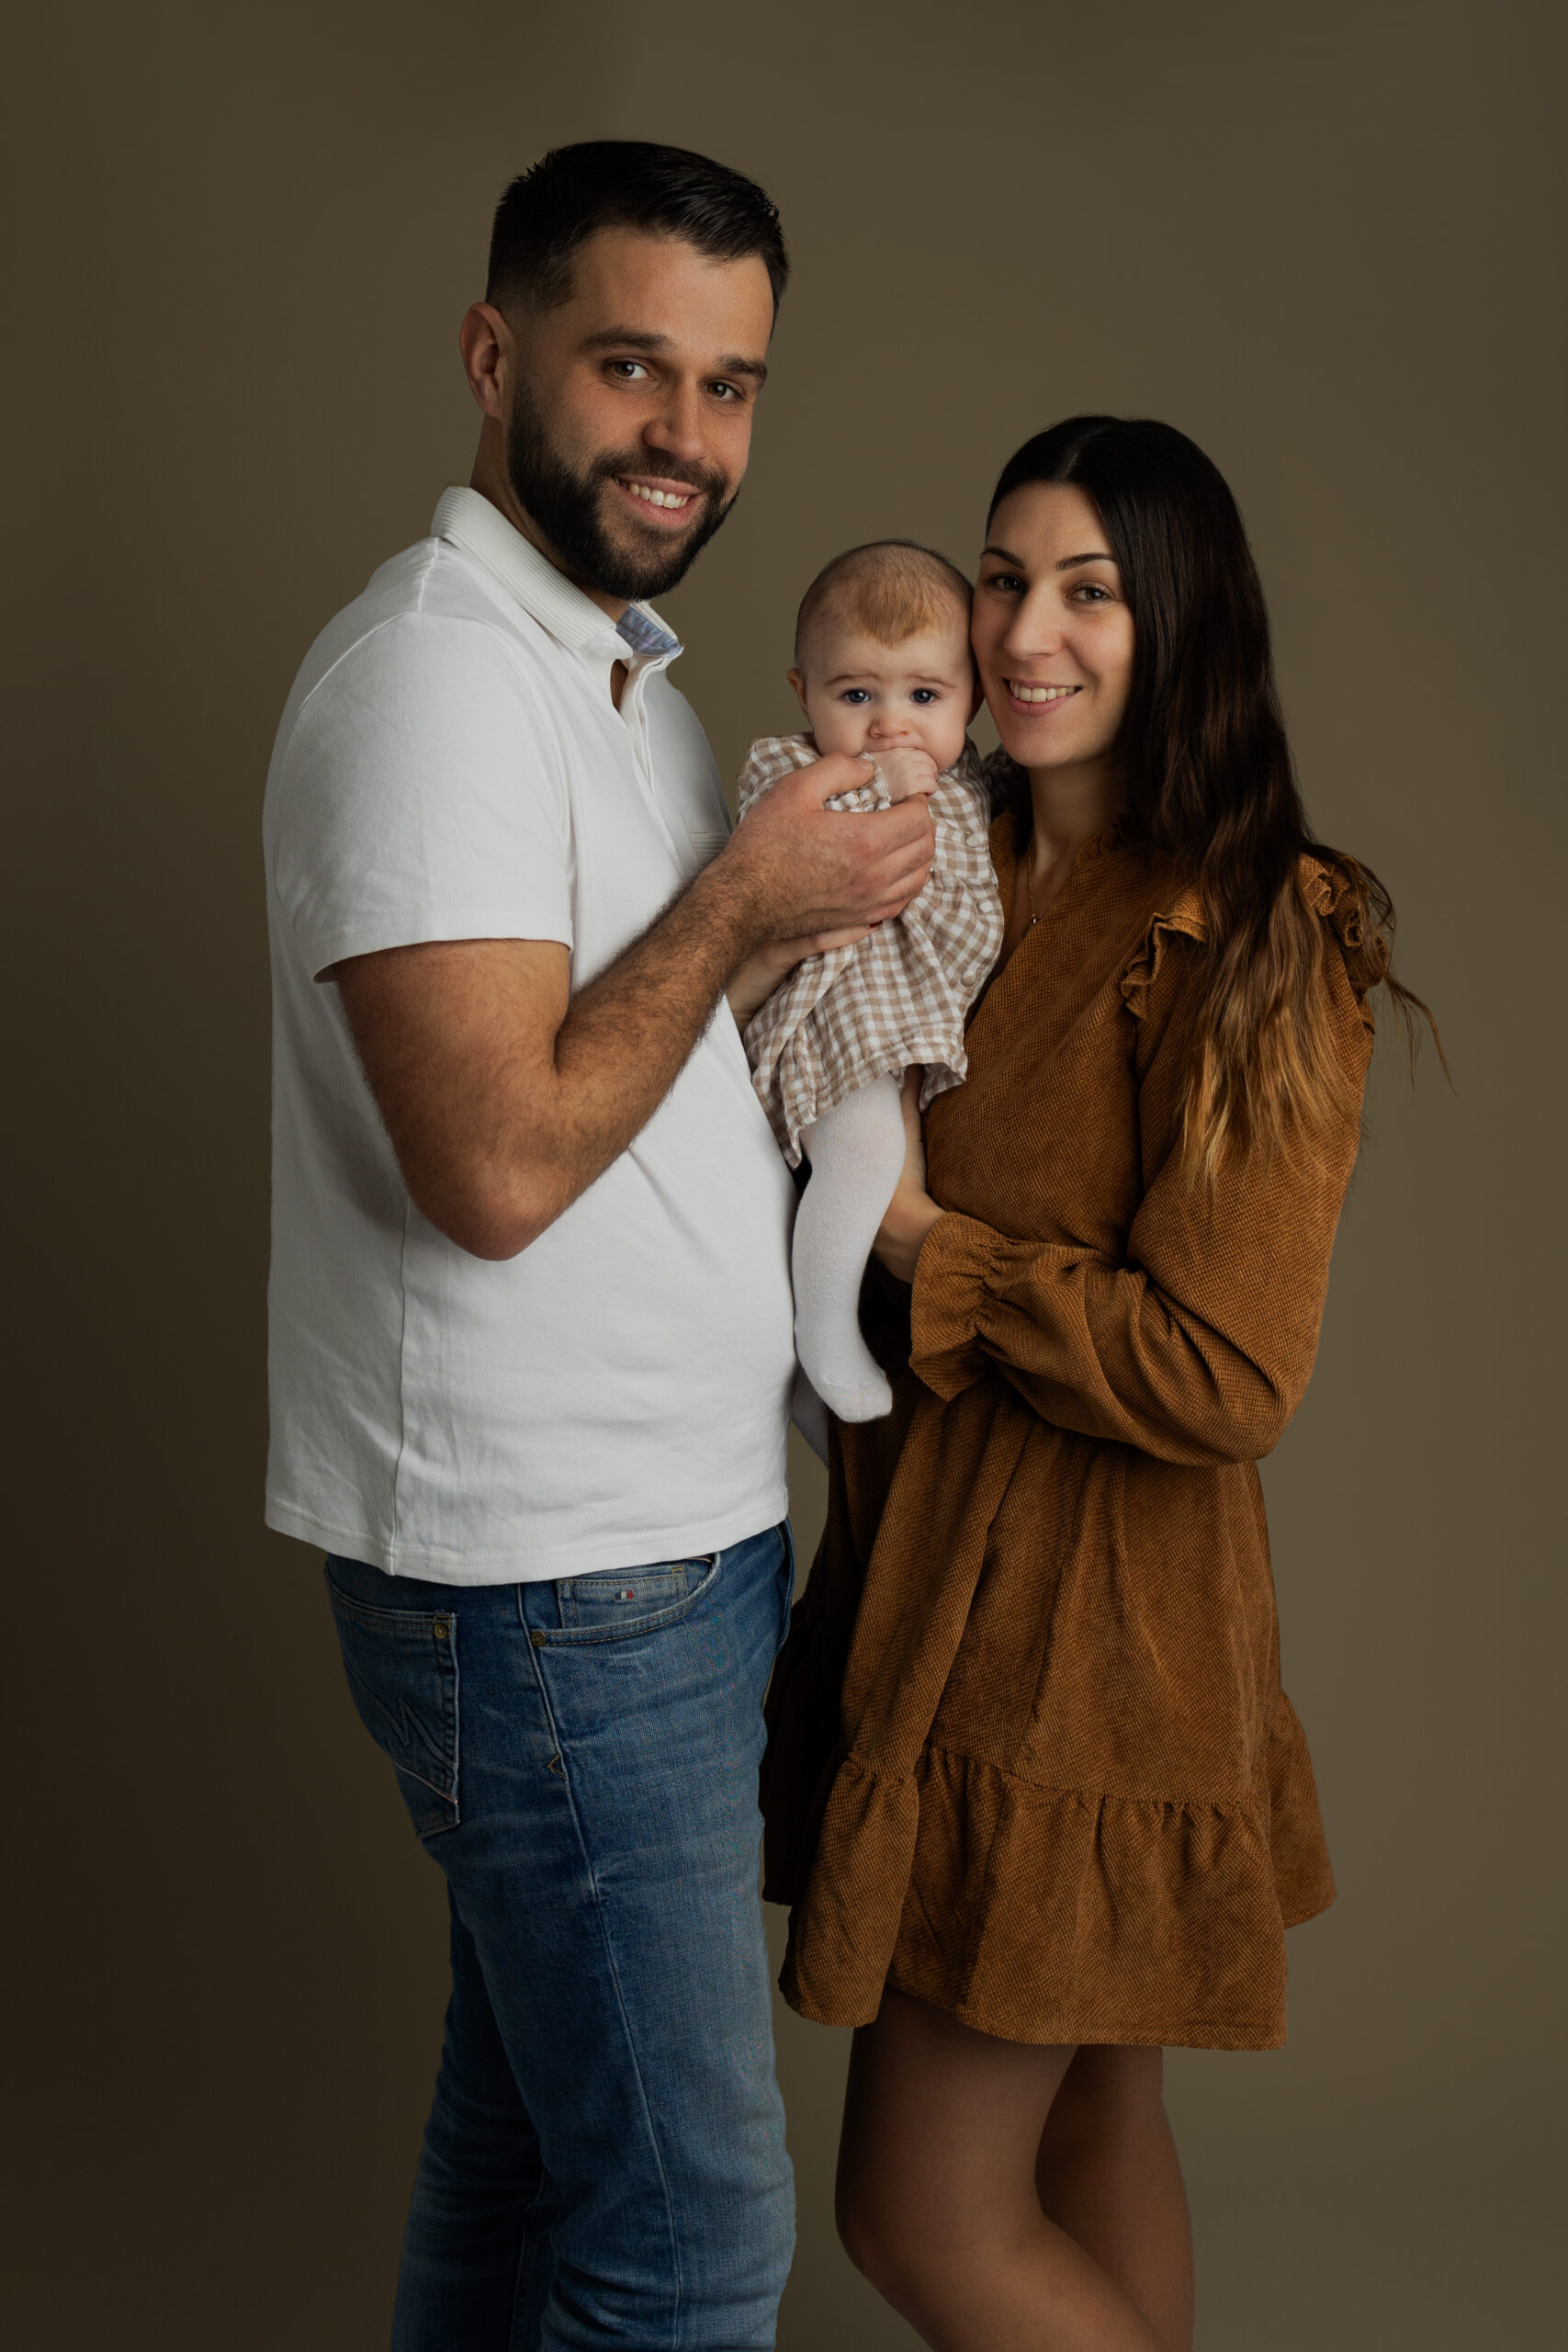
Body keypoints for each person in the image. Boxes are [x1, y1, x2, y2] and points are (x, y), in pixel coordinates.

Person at [262, 141, 935, 2352]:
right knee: (684, 2242)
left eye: (727, 385)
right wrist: (750, 898)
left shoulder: (608, 674)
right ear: (492, 355)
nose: (683, 435)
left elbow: (640, 1068)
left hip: (654, 1549)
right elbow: (495, 1160)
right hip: (553, 1589)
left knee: (527, 2161)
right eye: (627, 363)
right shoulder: (435, 682)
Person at [760, 415, 1433, 2352]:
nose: (1025, 628)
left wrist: (915, 1254)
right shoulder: (940, 865)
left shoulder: (1250, 930)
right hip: (934, 1587)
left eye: (1088, 587)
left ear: (1183, 625)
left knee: (916, 2212)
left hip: (1088, 1647)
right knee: (1096, 2127)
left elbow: (1225, 1370)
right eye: (1001, 575)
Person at [735, 541, 1003, 1424]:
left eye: (924, 696)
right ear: (802, 693)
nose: (891, 724)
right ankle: (824, 1335)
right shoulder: (789, 769)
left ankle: (806, 1385)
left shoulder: (968, 785)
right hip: (831, 1015)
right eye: (856, 696)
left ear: (972, 697)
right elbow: (792, 853)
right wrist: (885, 787)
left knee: (829, 1196)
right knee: (862, 1156)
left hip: (902, 1027)